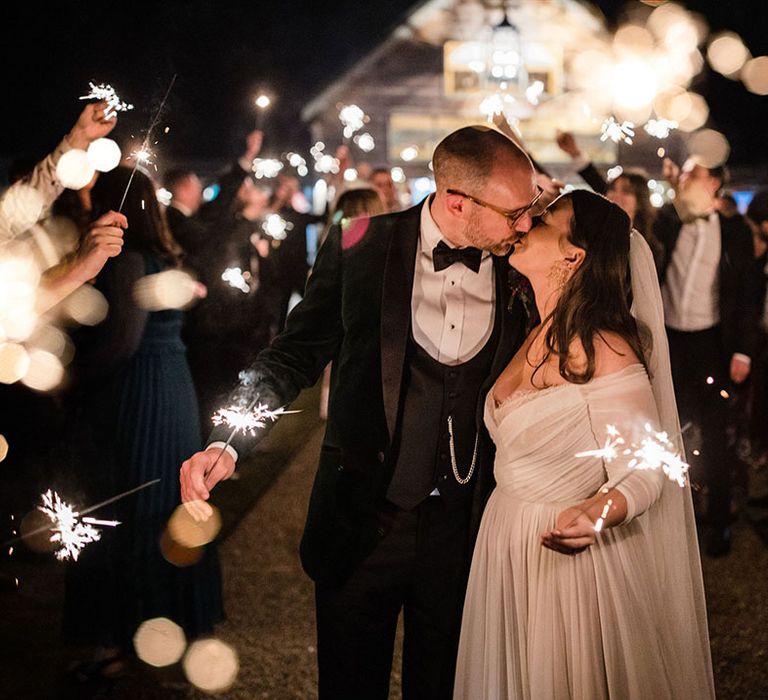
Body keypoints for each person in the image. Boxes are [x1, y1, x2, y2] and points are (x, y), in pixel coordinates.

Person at [180, 125, 543, 698]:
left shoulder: (523, 268)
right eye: (515, 212)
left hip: (468, 534)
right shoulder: (361, 245)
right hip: (362, 524)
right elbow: (295, 352)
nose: (527, 224)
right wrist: (230, 440)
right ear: (456, 201)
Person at [455, 189, 714, 698]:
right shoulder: (535, 330)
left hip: (566, 568)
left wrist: (601, 511)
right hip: (505, 543)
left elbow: (647, 467)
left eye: (547, 218)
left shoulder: (604, 346)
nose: (528, 222)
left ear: (575, 254)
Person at [63, 166, 223, 680]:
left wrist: (76, 377)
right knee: (167, 503)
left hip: (141, 392)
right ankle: (172, 620)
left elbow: (122, 343)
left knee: (133, 504)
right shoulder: (166, 253)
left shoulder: (130, 258)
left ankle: (124, 634)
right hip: (172, 386)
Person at [655, 157, 758, 556]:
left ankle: (717, 522)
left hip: (712, 344)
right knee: (666, 430)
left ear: (714, 182)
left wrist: (743, 351)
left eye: (694, 172)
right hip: (666, 341)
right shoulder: (670, 220)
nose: (685, 176)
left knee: (716, 437)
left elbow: (748, 292)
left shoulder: (734, 230)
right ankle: (667, 522)